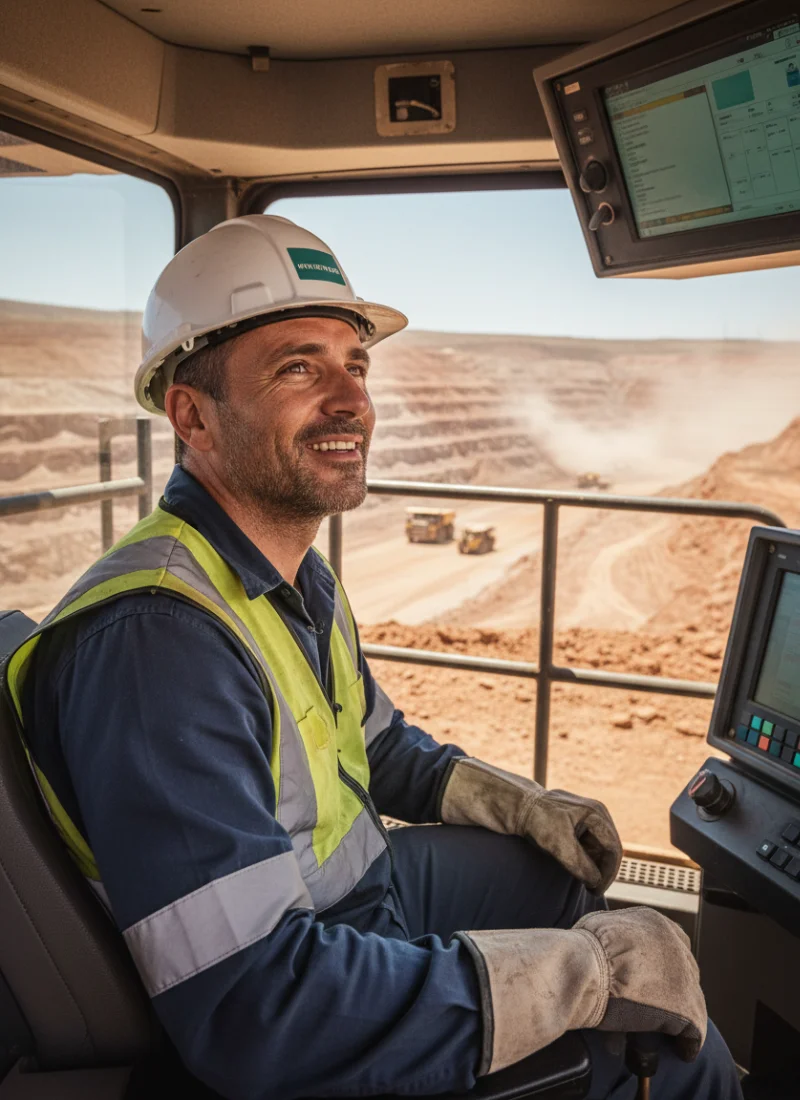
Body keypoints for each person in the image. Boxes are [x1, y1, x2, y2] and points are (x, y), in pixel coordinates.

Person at [9, 216, 742, 1100]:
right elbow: (258, 1008)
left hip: (359, 902)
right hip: (301, 978)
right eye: (297, 367)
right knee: (677, 1056)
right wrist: (580, 981)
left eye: (355, 365)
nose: (351, 399)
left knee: (553, 874)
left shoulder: (290, 575)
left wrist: (518, 803)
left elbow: (376, 744)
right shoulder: (159, 645)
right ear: (193, 415)